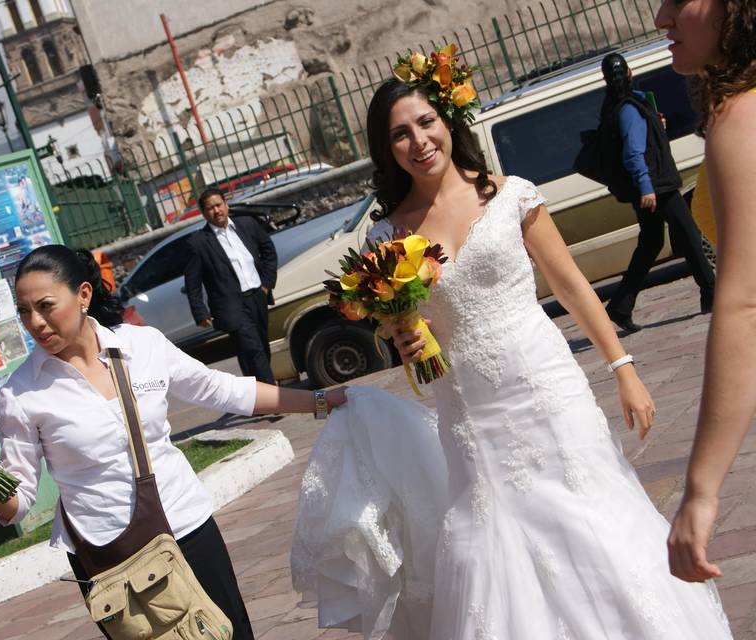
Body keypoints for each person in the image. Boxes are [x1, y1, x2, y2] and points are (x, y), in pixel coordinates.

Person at [299, 46, 733, 637]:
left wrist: (623, 366)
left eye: (426, 122)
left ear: (448, 122)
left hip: (545, 384)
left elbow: (573, 286)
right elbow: (400, 325)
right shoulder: (386, 235)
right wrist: (398, 336)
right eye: (400, 134)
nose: (419, 140)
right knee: (489, 539)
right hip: (468, 411)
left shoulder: (509, 195)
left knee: (586, 515)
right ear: (387, 148)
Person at [0, 245, 345, 640]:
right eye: (24, 311)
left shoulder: (142, 346)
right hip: (109, 554)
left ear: (83, 295)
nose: (36, 323)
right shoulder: (22, 393)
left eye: (45, 306)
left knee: (231, 632)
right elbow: (17, 504)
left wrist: (321, 401)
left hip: (185, 525)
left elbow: (225, 391)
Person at [656, 0, 756, 584]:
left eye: (678, 0)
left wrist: (700, 491)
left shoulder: (740, 118)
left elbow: (744, 303)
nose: (661, 19)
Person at [597, 53, 715, 333]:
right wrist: (646, 187)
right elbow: (634, 153)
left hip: (652, 184)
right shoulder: (628, 107)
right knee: (688, 233)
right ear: (629, 72)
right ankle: (711, 292)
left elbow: (640, 142)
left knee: (650, 243)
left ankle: (620, 305)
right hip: (656, 186)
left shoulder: (623, 104)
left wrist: (654, 126)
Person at [184, 187, 277, 384]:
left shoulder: (247, 225)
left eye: (218, 205)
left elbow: (268, 251)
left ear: (226, 204)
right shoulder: (199, 243)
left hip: (257, 296)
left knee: (259, 345)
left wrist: (267, 284)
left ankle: (253, 394)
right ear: (203, 213)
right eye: (210, 208)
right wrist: (200, 311)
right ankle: (273, 398)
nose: (216, 211)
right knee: (254, 348)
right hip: (231, 306)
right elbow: (193, 282)